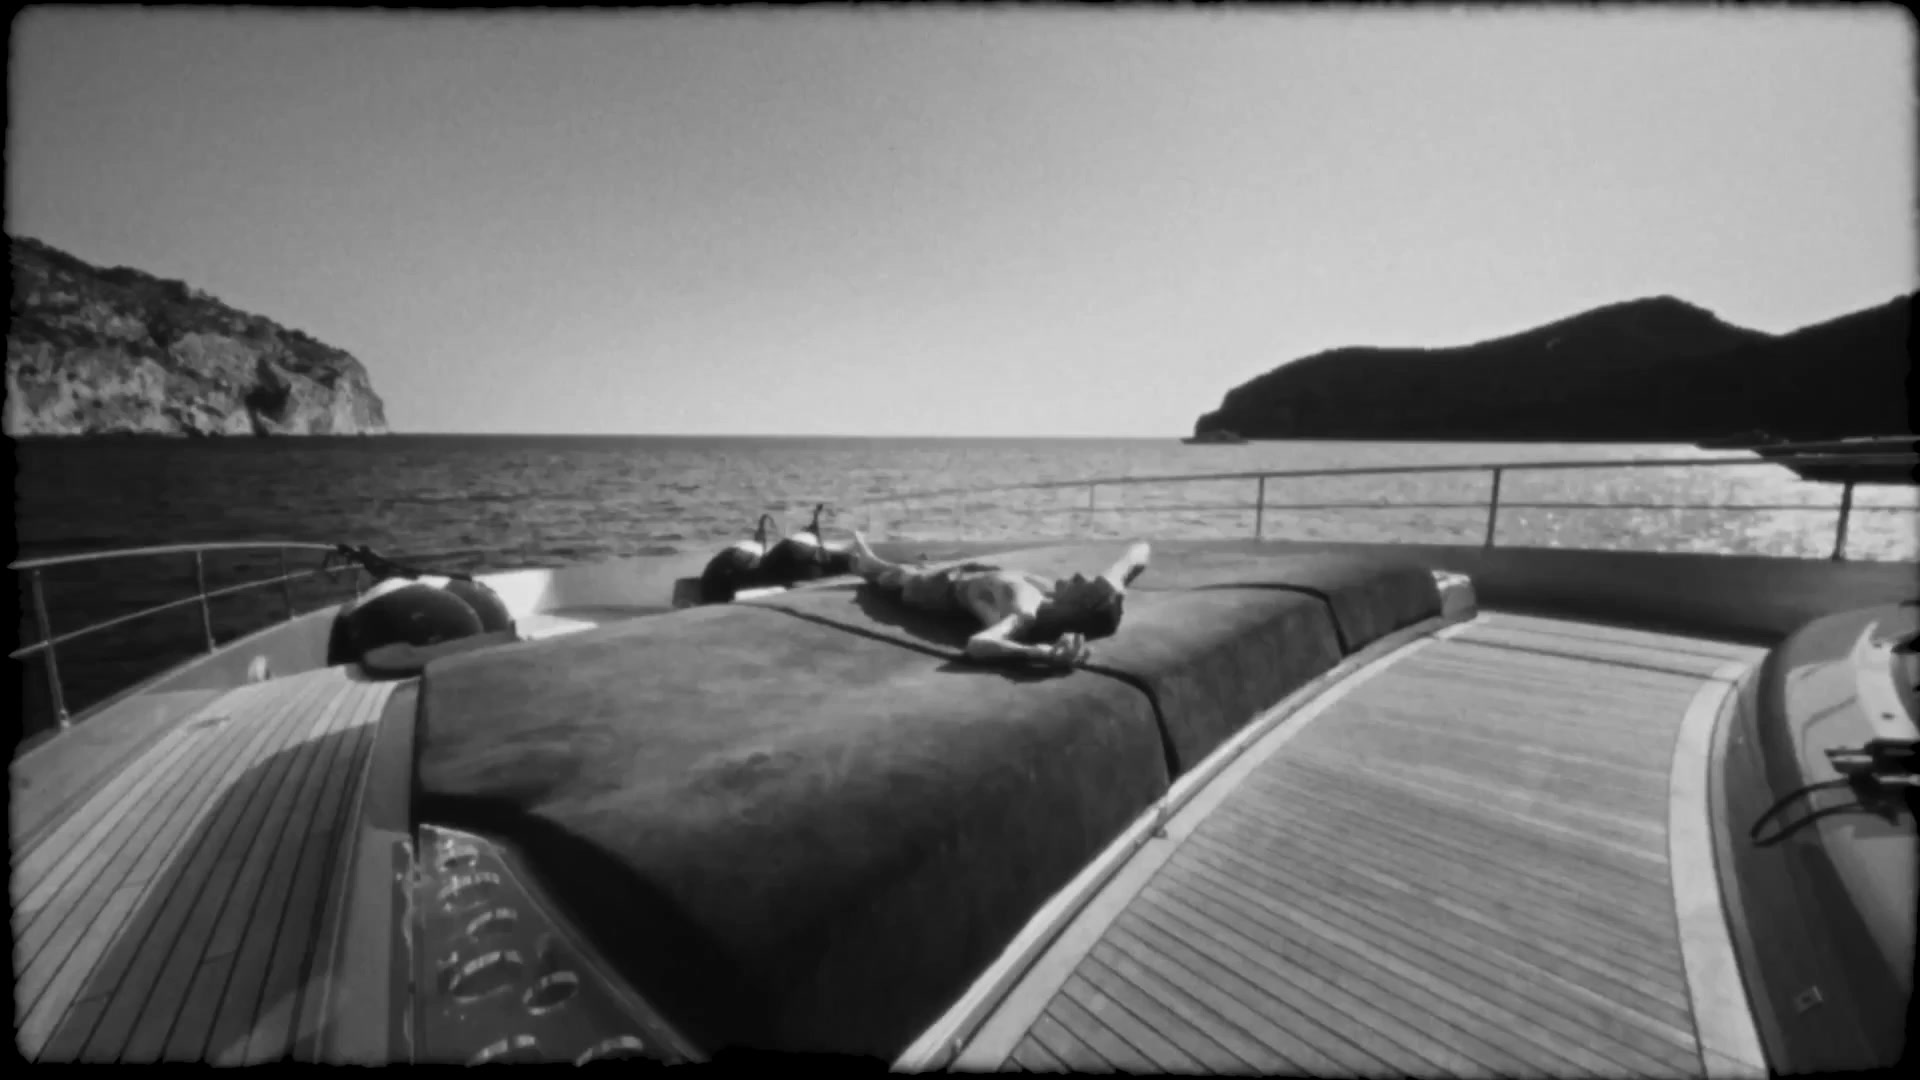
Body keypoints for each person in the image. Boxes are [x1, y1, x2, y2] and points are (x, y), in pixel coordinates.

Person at [846, 532, 1150, 669]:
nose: (1081, 576)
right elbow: (1138, 554)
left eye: (1084, 586)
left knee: (898, 577)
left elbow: (979, 644)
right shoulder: (1085, 599)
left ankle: (867, 566)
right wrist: (1116, 580)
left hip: (942, 589)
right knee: (912, 568)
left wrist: (1039, 654)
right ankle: (872, 562)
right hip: (983, 574)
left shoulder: (1024, 612)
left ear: (1075, 607)